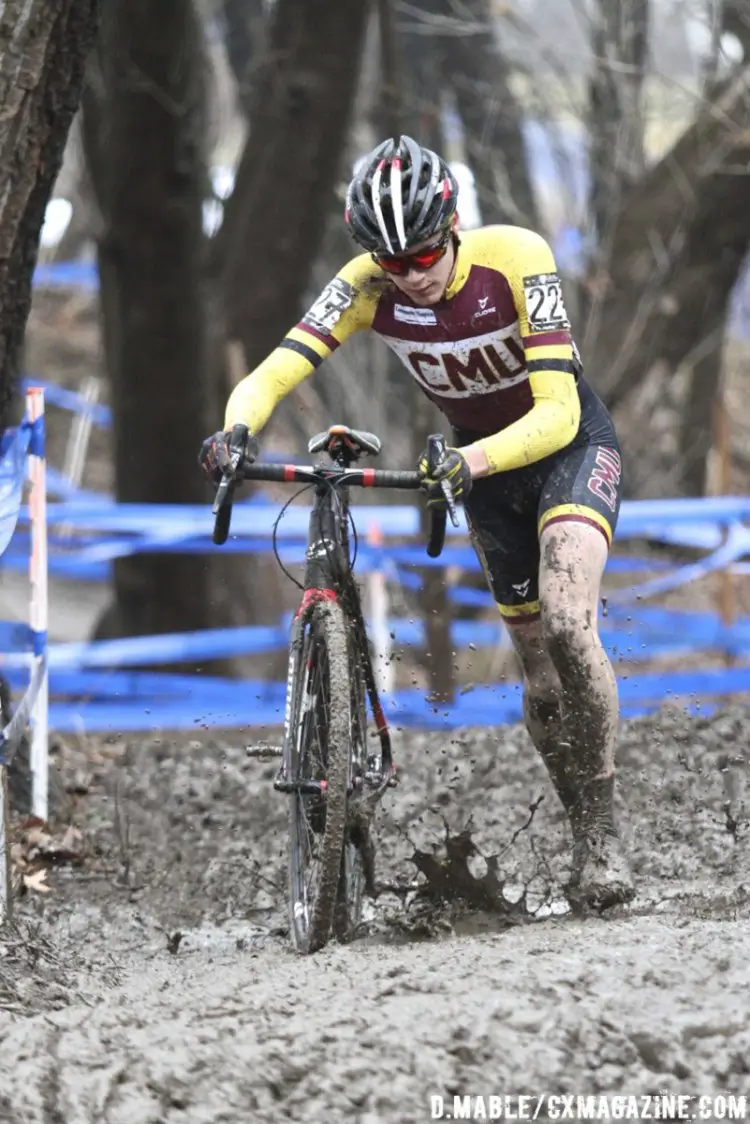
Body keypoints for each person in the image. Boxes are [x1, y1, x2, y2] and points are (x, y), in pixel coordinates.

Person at [200, 134, 634, 910]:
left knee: (570, 622)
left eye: (425, 254)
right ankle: (578, 828)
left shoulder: (517, 256)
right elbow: (274, 372)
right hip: (478, 470)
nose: (412, 274)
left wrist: (468, 462)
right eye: (393, 261)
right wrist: (237, 430)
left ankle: (603, 836)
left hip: (566, 448)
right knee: (540, 678)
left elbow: (559, 411)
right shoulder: (366, 285)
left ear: (453, 226)